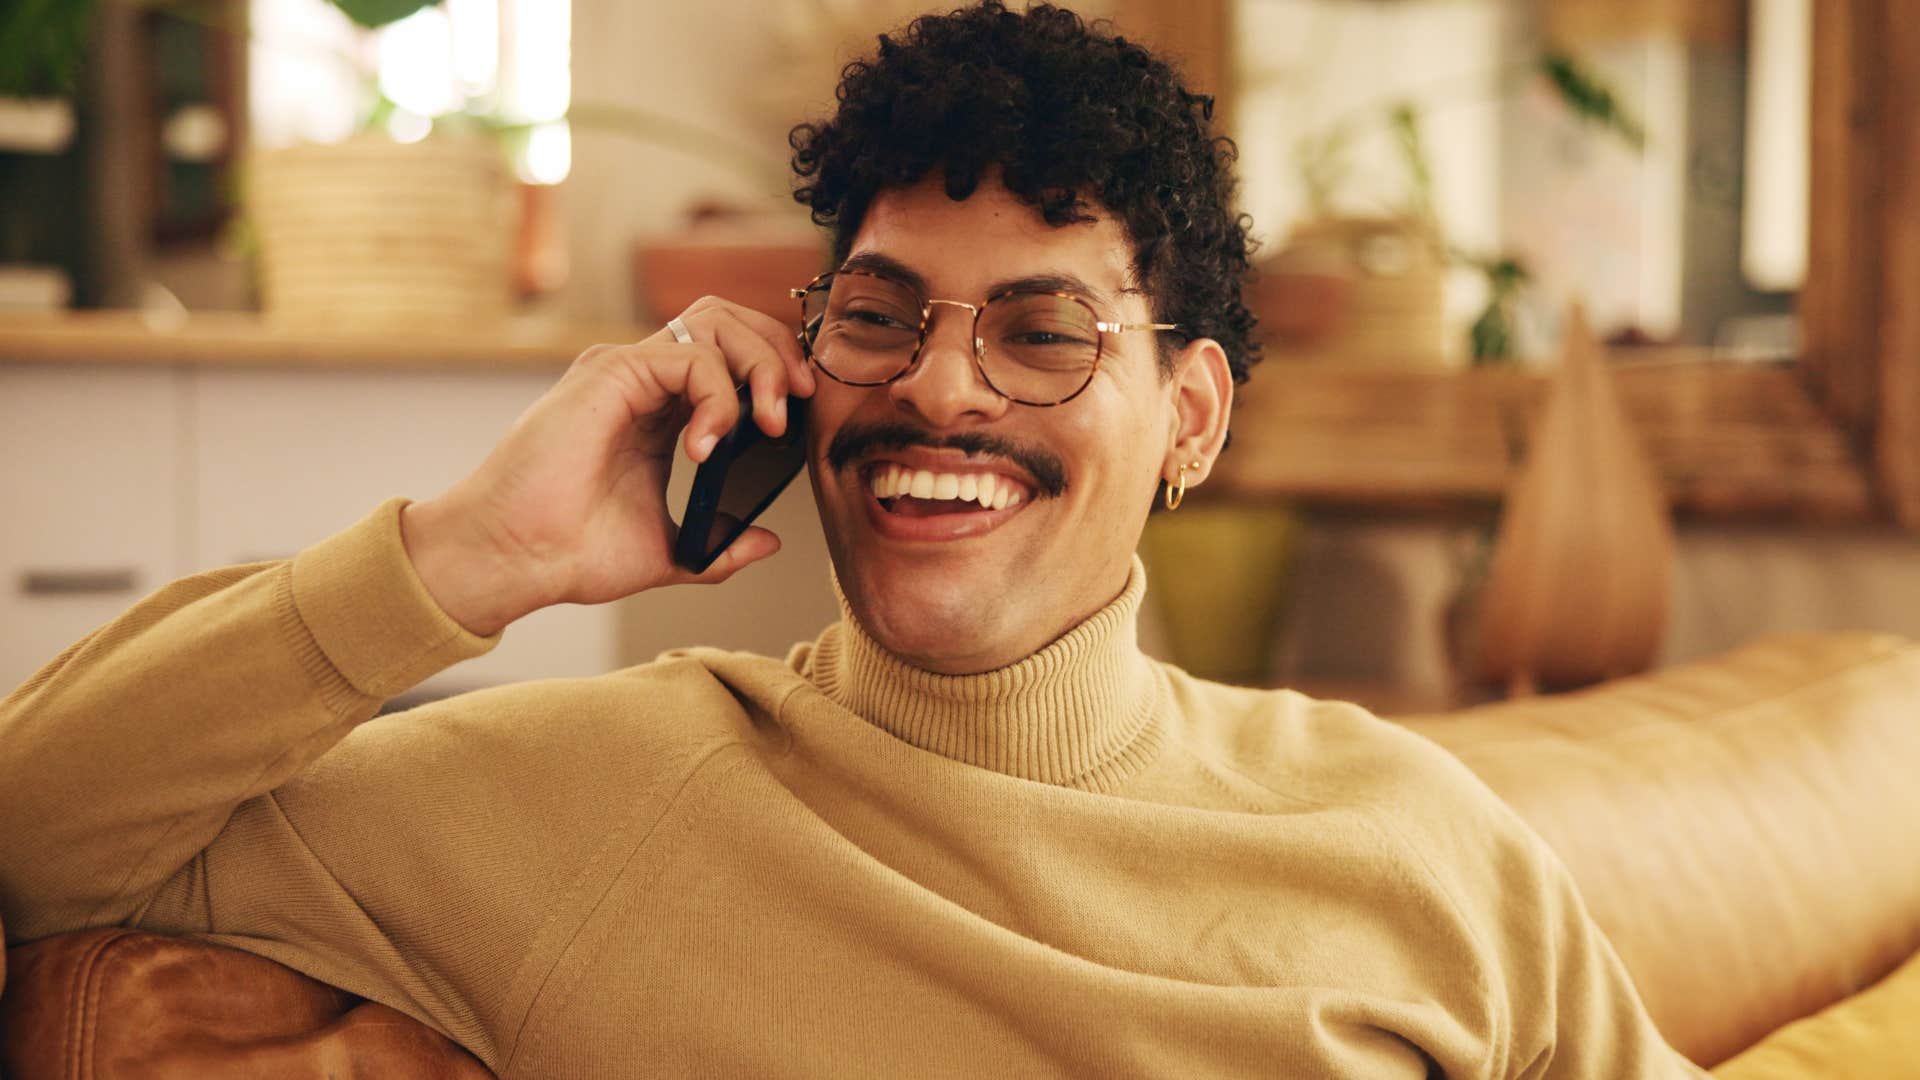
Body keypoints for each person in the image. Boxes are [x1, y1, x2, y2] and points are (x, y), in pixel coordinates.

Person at [0, 4, 1706, 1076]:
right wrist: (463, 556)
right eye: (880, 318)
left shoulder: (1411, 836)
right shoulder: (598, 800)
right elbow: (34, 841)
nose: (938, 393)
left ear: (1191, 416)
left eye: (1042, 332)